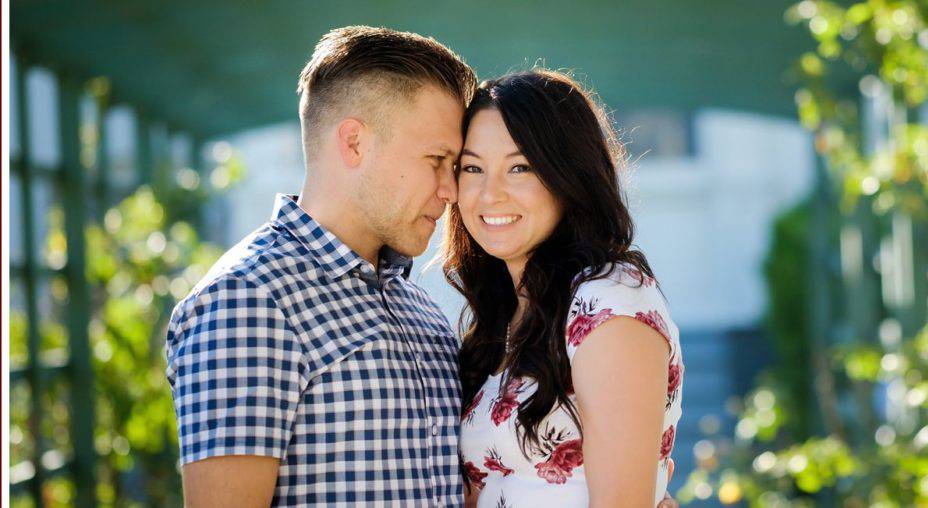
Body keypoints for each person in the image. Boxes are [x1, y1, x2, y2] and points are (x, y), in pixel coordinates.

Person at [165, 26, 476, 506]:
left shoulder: (420, 310)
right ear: (353, 143)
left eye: (454, 166)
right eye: (437, 159)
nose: (450, 190)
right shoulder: (247, 302)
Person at [445, 70, 684, 508]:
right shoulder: (505, 317)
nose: (489, 194)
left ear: (567, 176)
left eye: (520, 167)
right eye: (472, 168)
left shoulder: (611, 300)